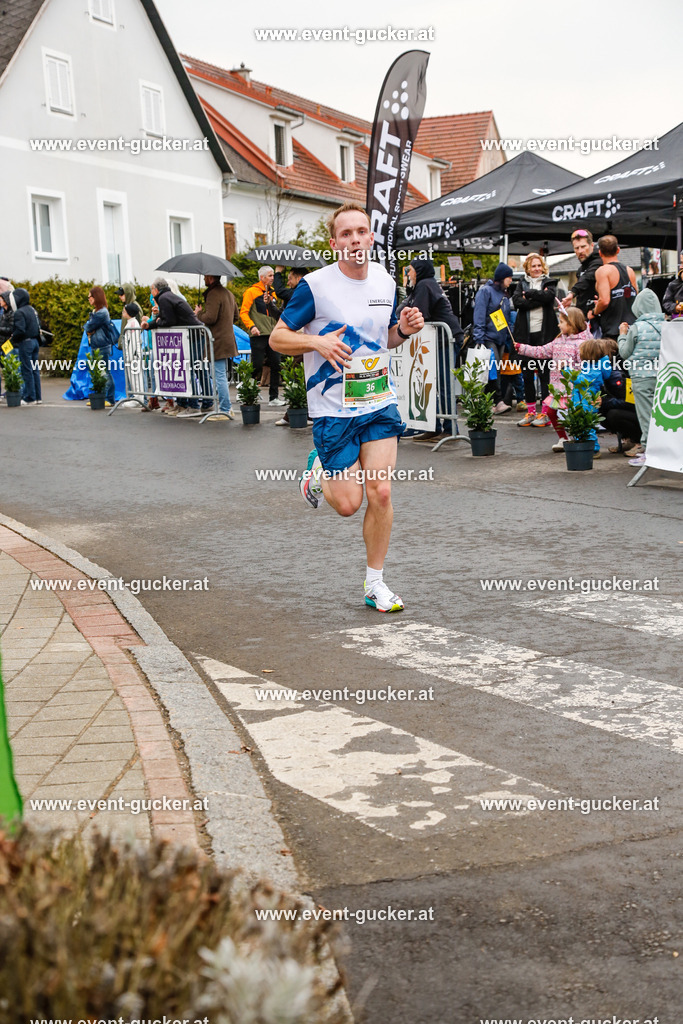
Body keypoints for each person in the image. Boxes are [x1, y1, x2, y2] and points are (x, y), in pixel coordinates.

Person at [269, 201, 425, 613]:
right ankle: (318, 469)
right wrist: (315, 341)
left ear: (371, 237)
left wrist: (403, 332)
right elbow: (277, 339)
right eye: (346, 233)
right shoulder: (315, 287)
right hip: (332, 411)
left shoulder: (385, 282)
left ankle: (375, 582)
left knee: (382, 492)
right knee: (347, 505)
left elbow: (384, 338)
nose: (355, 239)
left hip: (377, 400)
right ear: (335, 242)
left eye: (361, 231)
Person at [399, 256, 464, 442]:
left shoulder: (425, 285)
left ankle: (451, 429)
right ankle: (434, 426)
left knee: (443, 384)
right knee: (433, 383)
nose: (407, 273)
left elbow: (416, 313)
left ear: (418, 271)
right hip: (440, 339)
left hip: (445, 339)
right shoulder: (426, 285)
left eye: (410, 270)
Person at [514, 307, 591, 452]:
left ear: (571, 324)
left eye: (561, 322)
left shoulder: (581, 344)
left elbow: (583, 366)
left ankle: (580, 439)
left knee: (576, 413)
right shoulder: (557, 341)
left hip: (573, 387)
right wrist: (522, 348)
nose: (558, 325)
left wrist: (572, 371)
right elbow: (541, 351)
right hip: (558, 387)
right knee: (550, 412)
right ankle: (563, 438)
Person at [141, 277, 210, 417]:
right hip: (194, 334)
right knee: (192, 369)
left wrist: (158, 322)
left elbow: (169, 320)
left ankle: (194, 405)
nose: (151, 293)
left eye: (151, 290)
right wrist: (151, 325)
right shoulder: (168, 296)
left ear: (155, 289)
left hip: (193, 336)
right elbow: (167, 318)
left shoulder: (164, 298)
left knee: (191, 369)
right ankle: (185, 404)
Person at [618, 289, 665, 465]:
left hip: (641, 376)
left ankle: (649, 452)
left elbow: (624, 352)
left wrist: (622, 334)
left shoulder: (637, 327)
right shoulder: (666, 325)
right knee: (661, 415)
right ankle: (662, 450)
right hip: (662, 376)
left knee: (646, 415)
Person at [512, 253, 558, 426]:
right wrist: (538, 297)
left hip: (545, 335)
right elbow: (517, 302)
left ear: (543, 267)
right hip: (525, 335)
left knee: (545, 376)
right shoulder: (520, 284)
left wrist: (529, 295)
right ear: (527, 269)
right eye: (533, 266)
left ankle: (545, 414)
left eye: (539, 265)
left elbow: (549, 297)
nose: (537, 269)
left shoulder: (550, 282)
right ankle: (531, 412)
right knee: (527, 375)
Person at [194, 274, 239, 420]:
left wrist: (198, 313)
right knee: (221, 375)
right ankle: (226, 408)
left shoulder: (213, 294)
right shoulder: (229, 293)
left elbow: (210, 318)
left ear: (211, 278)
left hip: (217, 339)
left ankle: (225, 410)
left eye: (205, 277)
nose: (204, 279)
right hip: (227, 339)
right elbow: (236, 317)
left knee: (219, 375)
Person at [471, 262, 514, 411]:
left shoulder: (503, 294)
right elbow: (479, 315)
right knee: (492, 369)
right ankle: (497, 400)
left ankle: (489, 403)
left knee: (494, 371)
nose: (511, 280)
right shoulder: (486, 291)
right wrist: (479, 337)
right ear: (502, 278)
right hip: (488, 337)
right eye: (509, 277)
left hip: (499, 338)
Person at [240, 266, 284, 406]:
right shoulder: (251, 292)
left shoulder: (274, 293)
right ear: (262, 278)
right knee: (257, 365)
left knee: (276, 364)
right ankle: (248, 390)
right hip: (258, 334)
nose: (272, 278)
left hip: (273, 335)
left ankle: (273, 398)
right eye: (270, 276)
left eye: (272, 275)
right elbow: (243, 312)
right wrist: (251, 326)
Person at [590, 235, 637, 341]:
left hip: (613, 331)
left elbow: (605, 301)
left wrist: (593, 312)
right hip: (631, 328)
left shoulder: (603, 271)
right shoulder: (630, 270)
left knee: (611, 358)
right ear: (618, 250)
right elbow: (635, 299)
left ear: (600, 253)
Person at [7, 288, 42, 406]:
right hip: (35, 342)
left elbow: (20, 330)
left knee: (26, 370)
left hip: (25, 343)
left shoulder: (19, 312)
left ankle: (29, 397)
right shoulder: (32, 310)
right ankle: (37, 397)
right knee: (34, 370)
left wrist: (13, 338)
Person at [561, 229, 603, 319]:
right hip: (584, 318)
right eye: (577, 248)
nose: (580, 251)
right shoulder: (581, 269)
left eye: (583, 247)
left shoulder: (599, 262)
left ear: (591, 245)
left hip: (598, 318)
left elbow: (588, 278)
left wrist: (572, 293)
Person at [84, 286, 115, 406]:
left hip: (102, 345)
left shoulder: (101, 313)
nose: (89, 299)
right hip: (97, 345)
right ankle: (101, 397)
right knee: (99, 372)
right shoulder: (96, 312)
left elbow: (88, 327)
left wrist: (89, 328)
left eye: (90, 296)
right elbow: (89, 327)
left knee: (104, 372)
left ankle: (110, 398)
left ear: (95, 297)